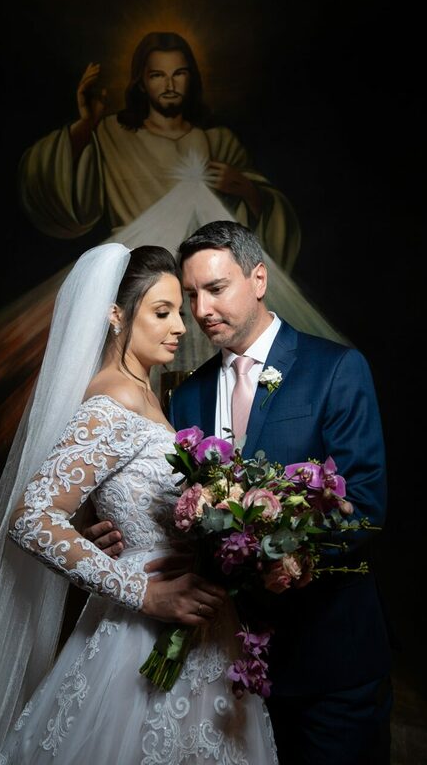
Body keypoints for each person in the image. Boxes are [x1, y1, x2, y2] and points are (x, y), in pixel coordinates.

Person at [0, 242, 278, 765]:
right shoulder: (113, 400)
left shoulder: (148, 397)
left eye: (179, 313)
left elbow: (118, 502)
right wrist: (146, 594)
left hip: (195, 625)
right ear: (116, 315)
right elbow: (31, 518)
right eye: (161, 312)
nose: (181, 327)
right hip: (143, 631)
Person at [94, 222, 392, 765]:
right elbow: (173, 504)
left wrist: (284, 557)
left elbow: (365, 507)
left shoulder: (335, 370)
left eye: (216, 288)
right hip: (223, 668)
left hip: (328, 664)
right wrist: (119, 527)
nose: (201, 309)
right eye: (190, 295)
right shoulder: (186, 394)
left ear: (258, 279)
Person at [19, 31, 302, 274]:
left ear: (191, 79)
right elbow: (56, 194)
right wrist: (85, 124)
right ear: (141, 82)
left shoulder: (219, 141)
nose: (169, 86)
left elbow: (270, 224)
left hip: (202, 279)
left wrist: (246, 189)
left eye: (179, 74)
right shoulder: (112, 134)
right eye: (157, 75)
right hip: (136, 274)